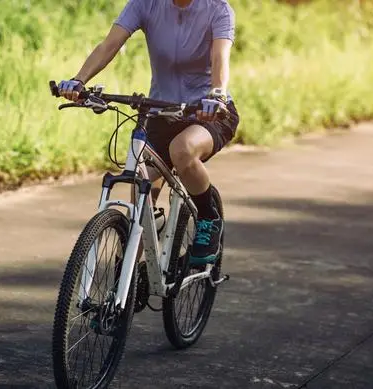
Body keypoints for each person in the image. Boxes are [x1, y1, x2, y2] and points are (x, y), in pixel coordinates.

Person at [57, 0, 240, 265]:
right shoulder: (145, 4)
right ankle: (128, 278)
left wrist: (218, 94)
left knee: (183, 150)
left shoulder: (218, 9)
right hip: (161, 112)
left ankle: (208, 217)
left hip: (206, 111)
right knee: (142, 198)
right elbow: (110, 44)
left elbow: (219, 58)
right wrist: (79, 80)